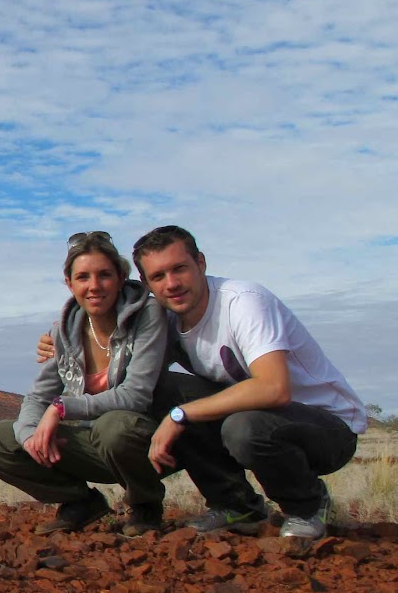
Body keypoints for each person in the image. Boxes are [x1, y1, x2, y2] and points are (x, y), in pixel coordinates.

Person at [132, 225, 364, 538]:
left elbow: (274, 388)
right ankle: (236, 505)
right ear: (146, 284)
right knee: (162, 388)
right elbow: (124, 365)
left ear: (200, 262)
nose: (172, 284)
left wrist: (181, 415)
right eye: (158, 276)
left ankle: (306, 506)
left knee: (242, 427)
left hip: (328, 428)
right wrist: (60, 341)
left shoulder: (243, 301)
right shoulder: (166, 317)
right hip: (253, 416)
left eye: (179, 269)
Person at [0, 231, 170, 534]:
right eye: (83, 277)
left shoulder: (148, 314)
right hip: (88, 442)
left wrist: (62, 408)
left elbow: (136, 395)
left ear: (120, 277)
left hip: (144, 442)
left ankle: (145, 506)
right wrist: (29, 439)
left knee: (114, 426)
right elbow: (38, 397)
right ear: (69, 283)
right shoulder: (62, 331)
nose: (94, 286)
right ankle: (80, 502)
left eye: (104, 275)